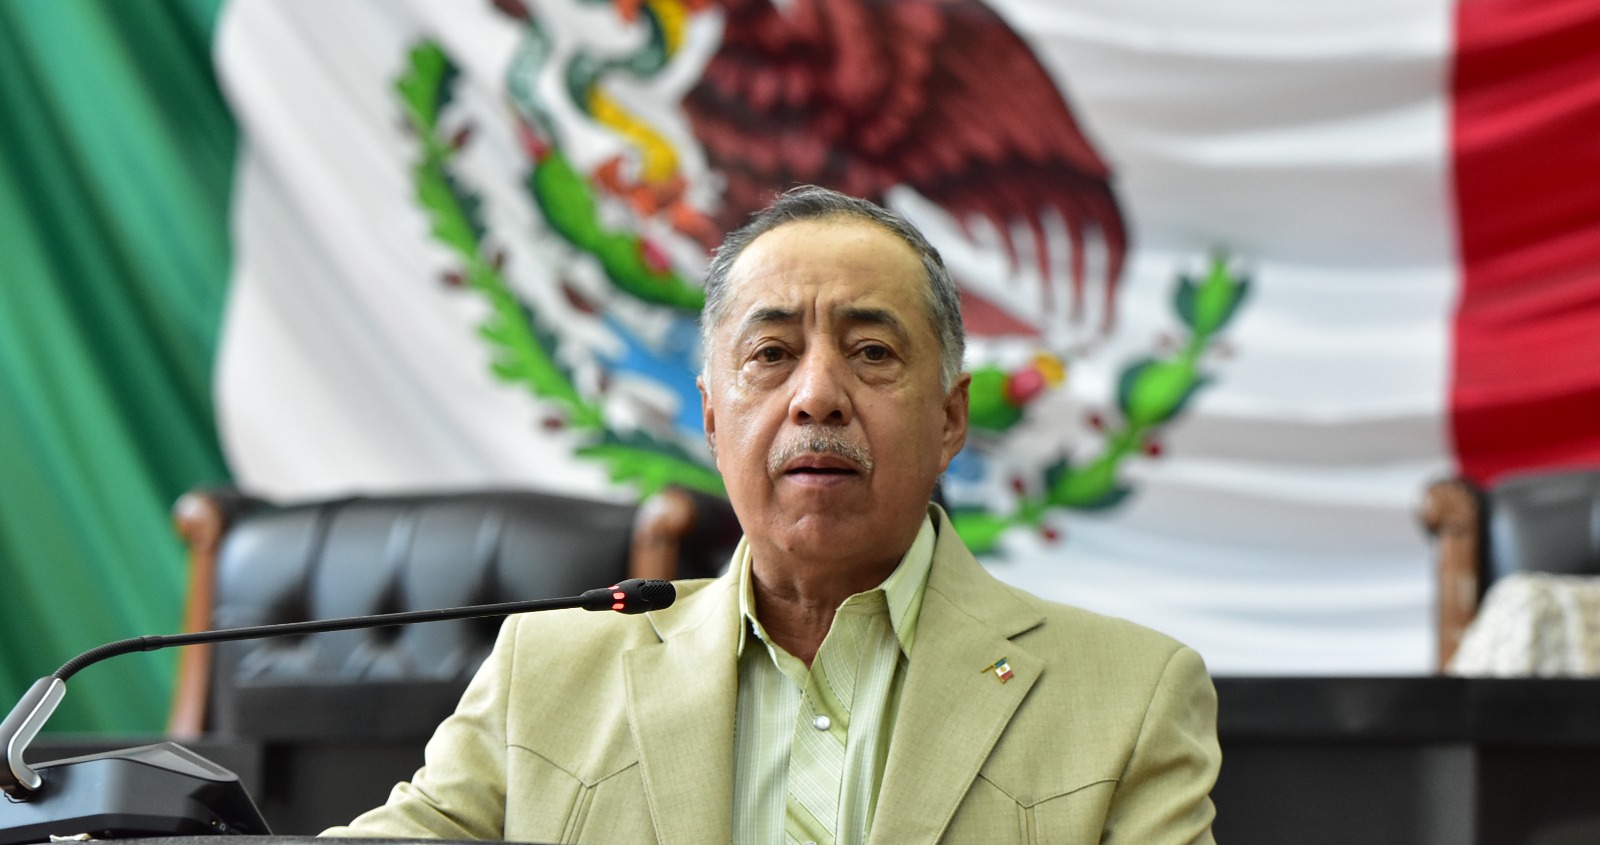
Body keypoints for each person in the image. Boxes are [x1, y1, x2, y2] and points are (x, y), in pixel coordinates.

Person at [325, 186, 1220, 844]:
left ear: (951, 418)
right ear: (714, 419)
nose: (817, 395)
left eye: (872, 351)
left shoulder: (1130, 696)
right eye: (772, 353)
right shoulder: (546, 674)